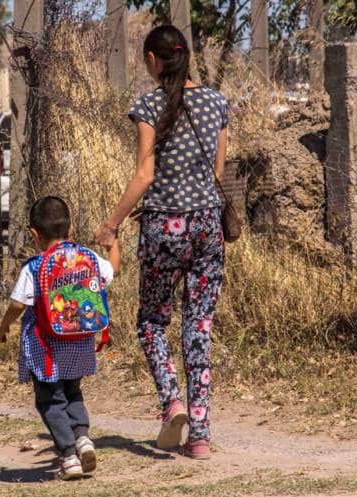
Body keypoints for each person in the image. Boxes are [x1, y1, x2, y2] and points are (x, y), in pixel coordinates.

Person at [94, 25, 230, 460]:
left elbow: (145, 174)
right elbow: (216, 175)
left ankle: (171, 401)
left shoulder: (149, 104)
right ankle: (201, 436)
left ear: (154, 60)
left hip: (163, 231)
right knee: (199, 326)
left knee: (152, 322)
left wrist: (111, 223)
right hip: (208, 226)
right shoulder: (215, 102)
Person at [0, 196, 121, 480]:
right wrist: (113, 243)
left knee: (50, 400)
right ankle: (82, 438)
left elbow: (18, 304)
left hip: (47, 350)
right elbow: (113, 269)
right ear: (72, 228)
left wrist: (3, 326)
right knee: (73, 391)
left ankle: (68, 457)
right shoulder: (87, 257)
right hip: (80, 342)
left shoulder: (34, 266)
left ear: (34, 234)